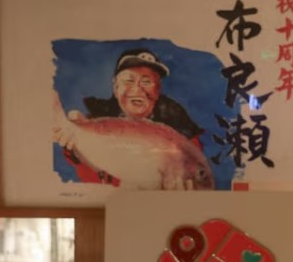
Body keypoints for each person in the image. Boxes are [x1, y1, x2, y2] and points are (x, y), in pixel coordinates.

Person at [61, 48, 203, 185]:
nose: (137, 89)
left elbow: (200, 178)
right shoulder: (94, 123)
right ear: (116, 88)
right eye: (128, 81)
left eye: (146, 82)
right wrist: (74, 147)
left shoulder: (183, 133)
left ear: (158, 89)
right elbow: (93, 184)